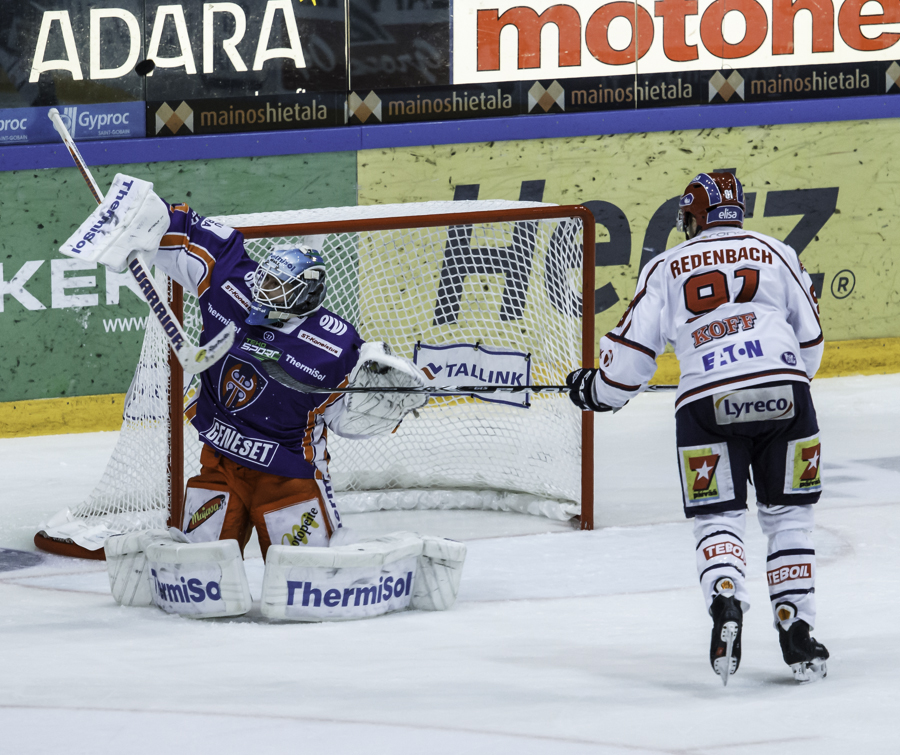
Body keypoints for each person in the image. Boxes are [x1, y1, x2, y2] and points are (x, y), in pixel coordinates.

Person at [567, 172, 829, 684]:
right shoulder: (776, 252)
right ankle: (796, 626)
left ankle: (726, 597)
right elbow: (812, 342)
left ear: (692, 217)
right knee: (789, 518)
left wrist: (596, 391)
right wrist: (783, 380)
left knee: (719, 517)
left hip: (707, 401)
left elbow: (632, 360)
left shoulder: (666, 266)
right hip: (786, 394)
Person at [151, 199, 428, 559]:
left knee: (306, 571)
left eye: (276, 285)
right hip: (220, 460)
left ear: (304, 295)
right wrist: (149, 216)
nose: (262, 290)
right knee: (197, 565)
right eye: (264, 278)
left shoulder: (334, 346)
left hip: (288, 473)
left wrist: (378, 398)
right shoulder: (233, 286)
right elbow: (193, 236)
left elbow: (346, 422)